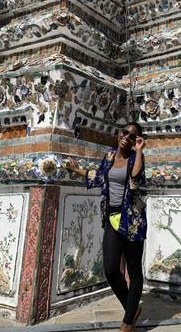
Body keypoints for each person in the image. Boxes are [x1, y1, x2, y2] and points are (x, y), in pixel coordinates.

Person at [69, 122, 147, 332]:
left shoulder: (135, 158)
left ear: (136, 141)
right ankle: (132, 309)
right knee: (111, 270)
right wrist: (76, 169)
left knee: (133, 270)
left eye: (133, 136)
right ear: (118, 134)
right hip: (112, 217)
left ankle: (128, 321)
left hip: (132, 220)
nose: (127, 137)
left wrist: (139, 151)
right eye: (125, 133)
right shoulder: (110, 156)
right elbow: (99, 176)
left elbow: (136, 178)